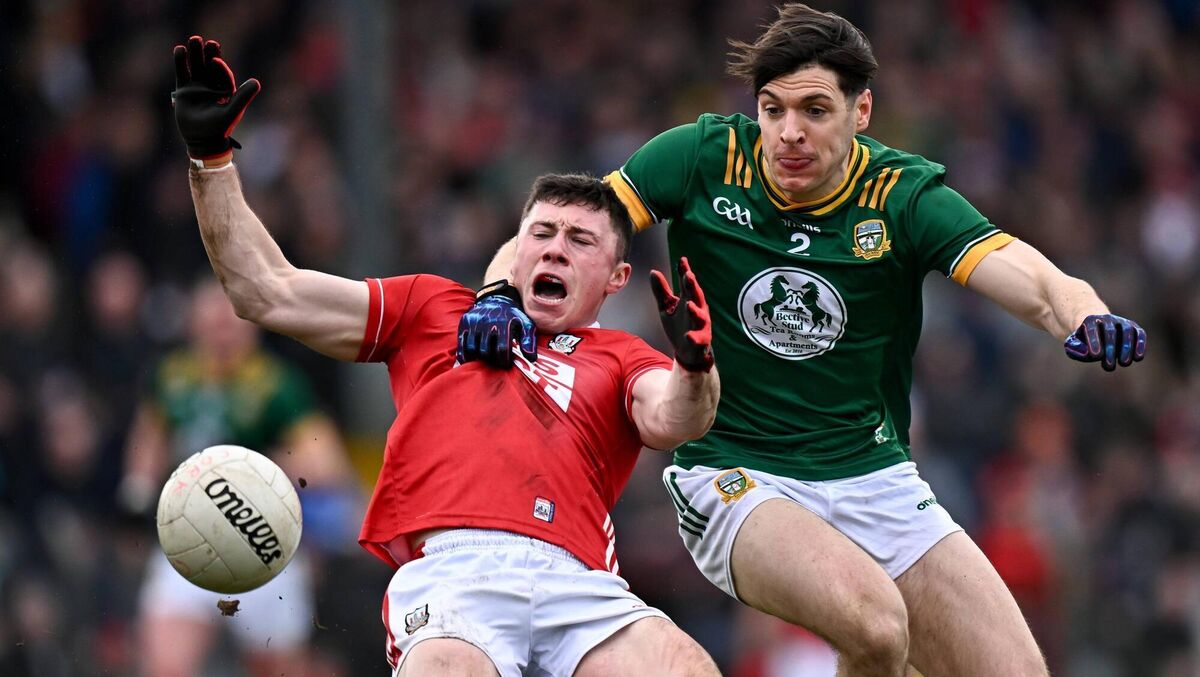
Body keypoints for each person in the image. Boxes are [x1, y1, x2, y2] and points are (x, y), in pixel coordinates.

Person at [458, 4, 1147, 676]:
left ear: (861, 112)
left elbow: (1028, 274)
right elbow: (554, 234)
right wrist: (497, 296)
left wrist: (1084, 315)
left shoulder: (900, 195)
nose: (789, 132)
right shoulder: (699, 158)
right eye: (773, 109)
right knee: (875, 624)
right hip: (736, 474)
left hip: (874, 476)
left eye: (815, 110)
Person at [169, 35, 723, 676]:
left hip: (580, 582)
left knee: (686, 668)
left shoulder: (622, 354)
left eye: (579, 240)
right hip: (458, 575)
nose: (553, 250)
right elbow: (266, 290)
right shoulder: (435, 309)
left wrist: (695, 365)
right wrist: (211, 161)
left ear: (618, 277)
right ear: (516, 251)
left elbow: (676, 418)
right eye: (540, 233)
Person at [120, 278, 359, 677]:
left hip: (261, 543)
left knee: (276, 668)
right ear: (193, 322)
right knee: (165, 663)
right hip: (190, 537)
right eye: (211, 317)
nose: (221, 327)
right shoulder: (173, 376)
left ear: (251, 324)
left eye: (230, 318)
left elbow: (325, 462)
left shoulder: (276, 384)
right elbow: (149, 439)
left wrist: (248, 472)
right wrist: (136, 491)